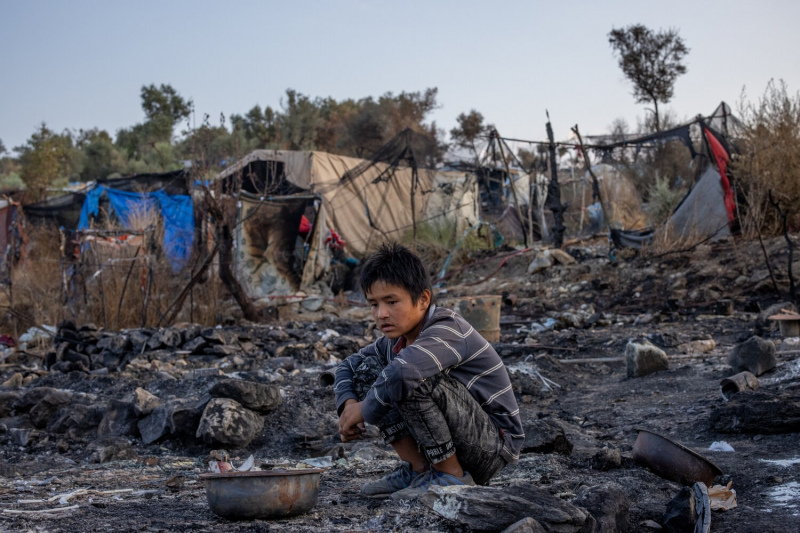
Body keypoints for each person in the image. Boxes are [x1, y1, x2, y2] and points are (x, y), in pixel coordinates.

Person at [334, 242, 523, 500]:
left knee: (409, 375)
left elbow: (404, 374)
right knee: (370, 368)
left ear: (422, 299)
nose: (381, 314)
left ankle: (451, 476)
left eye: (391, 301)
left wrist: (364, 411)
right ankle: (418, 469)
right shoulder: (396, 340)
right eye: (373, 304)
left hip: (492, 448)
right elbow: (348, 365)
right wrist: (348, 405)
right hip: (463, 439)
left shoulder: (447, 328)